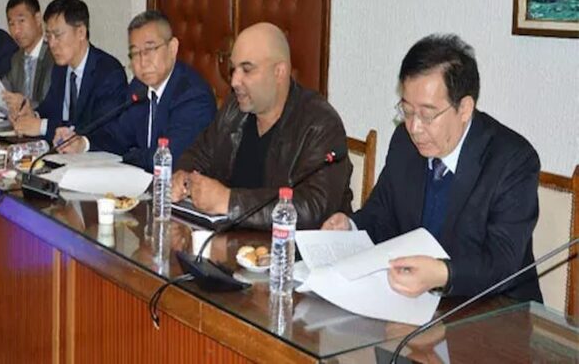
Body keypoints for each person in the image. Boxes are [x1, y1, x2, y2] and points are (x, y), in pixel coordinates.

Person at [322, 34, 542, 302]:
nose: (414, 127)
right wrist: (350, 226)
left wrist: (443, 274)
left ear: (465, 108)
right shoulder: (404, 143)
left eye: (427, 115)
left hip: (495, 311)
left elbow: (502, 263)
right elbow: (382, 213)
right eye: (407, 111)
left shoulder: (512, 160)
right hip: (416, 304)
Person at [171, 22, 352, 230]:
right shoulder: (234, 108)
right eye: (234, 69)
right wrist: (183, 176)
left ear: (279, 72)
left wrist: (229, 201)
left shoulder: (320, 123)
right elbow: (198, 154)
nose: (235, 81)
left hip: (289, 246)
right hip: (231, 239)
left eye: (247, 70)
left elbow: (313, 207)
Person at [55, 10, 216, 172]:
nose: (142, 62)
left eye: (150, 50)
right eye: (135, 53)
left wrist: (128, 156)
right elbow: (118, 135)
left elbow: (167, 158)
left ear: (172, 48)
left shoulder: (193, 96)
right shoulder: (140, 86)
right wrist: (82, 143)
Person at [10, 0, 128, 146]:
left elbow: (99, 130)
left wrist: (42, 126)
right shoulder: (60, 68)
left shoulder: (108, 72)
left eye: (57, 35)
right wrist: (32, 115)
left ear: (81, 32)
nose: (52, 44)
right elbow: (50, 109)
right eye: (48, 36)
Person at [0, 0, 55, 109]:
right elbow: (2, 91)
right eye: (11, 24)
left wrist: (24, 104)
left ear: (38, 19)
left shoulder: (53, 56)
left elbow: (51, 105)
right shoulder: (16, 58)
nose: (16, 31)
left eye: (21, 21)